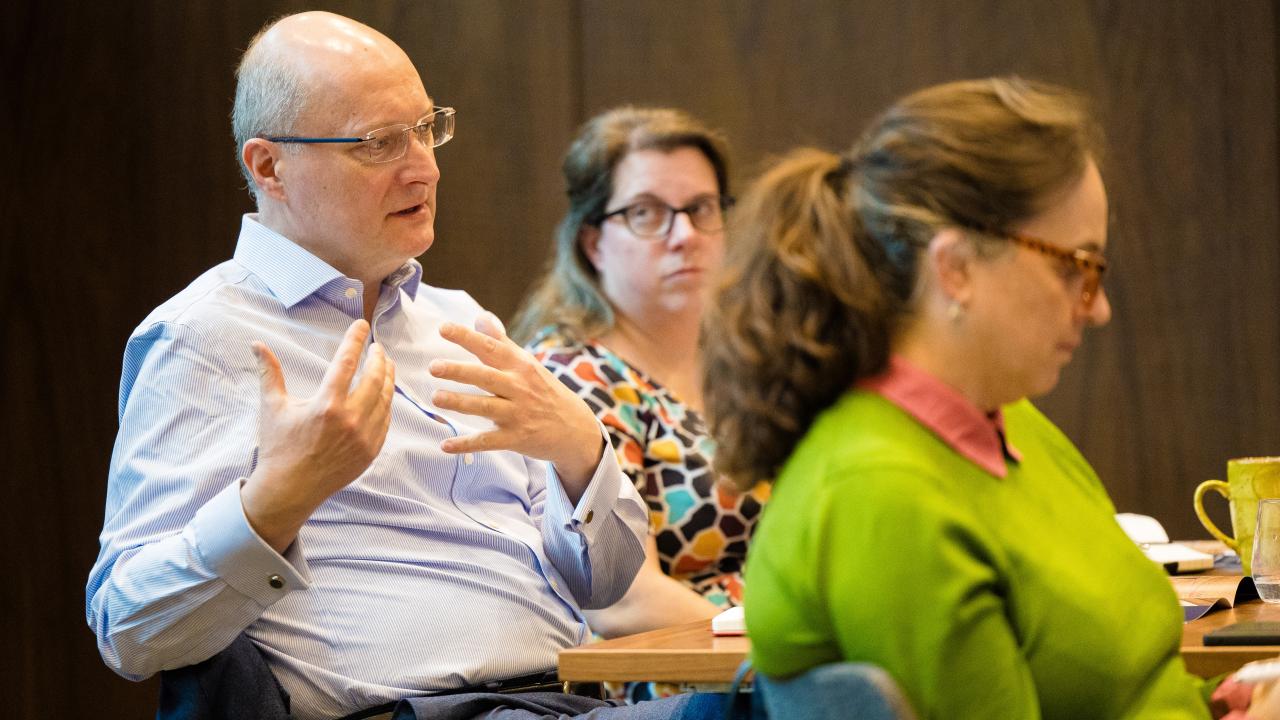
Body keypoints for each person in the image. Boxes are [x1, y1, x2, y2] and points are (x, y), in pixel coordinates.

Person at [86, 11, 718, 720]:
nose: (426, 167)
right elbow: (127, 631)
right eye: (380, 143)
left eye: (426, 129)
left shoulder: (463, 323)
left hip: (570, 701)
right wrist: (275, 502)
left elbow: (605, 586)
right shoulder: (203, 335)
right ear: (269, 167)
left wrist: (580, 454)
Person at [701, 77, 1214, 718]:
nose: (1098, 307)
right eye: (1075, 267)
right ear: (956, 268)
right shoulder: (881, 491)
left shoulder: (1010, 420)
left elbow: (1139, 688)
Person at [512, 107, 768, 646]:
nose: (685, 235)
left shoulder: (749, 354)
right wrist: (773, 647)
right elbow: (623, 601)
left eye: (701, 208)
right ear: (593, 243)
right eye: (647, 214)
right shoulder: (572, 375)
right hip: (678, 669)